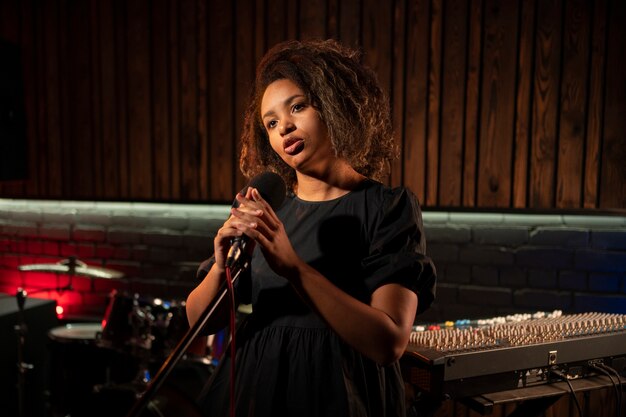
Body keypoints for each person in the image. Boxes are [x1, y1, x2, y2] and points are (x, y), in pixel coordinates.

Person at [186, 39, 436, 417]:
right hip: (257, 390)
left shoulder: (387, 207)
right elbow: (198, 321)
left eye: (298, 107)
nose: (284, 126)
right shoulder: (269, 209)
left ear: (334, 106)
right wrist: (222, 268)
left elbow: (389, 342)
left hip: (340, 395)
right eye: (271, 122)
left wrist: (294, 268)